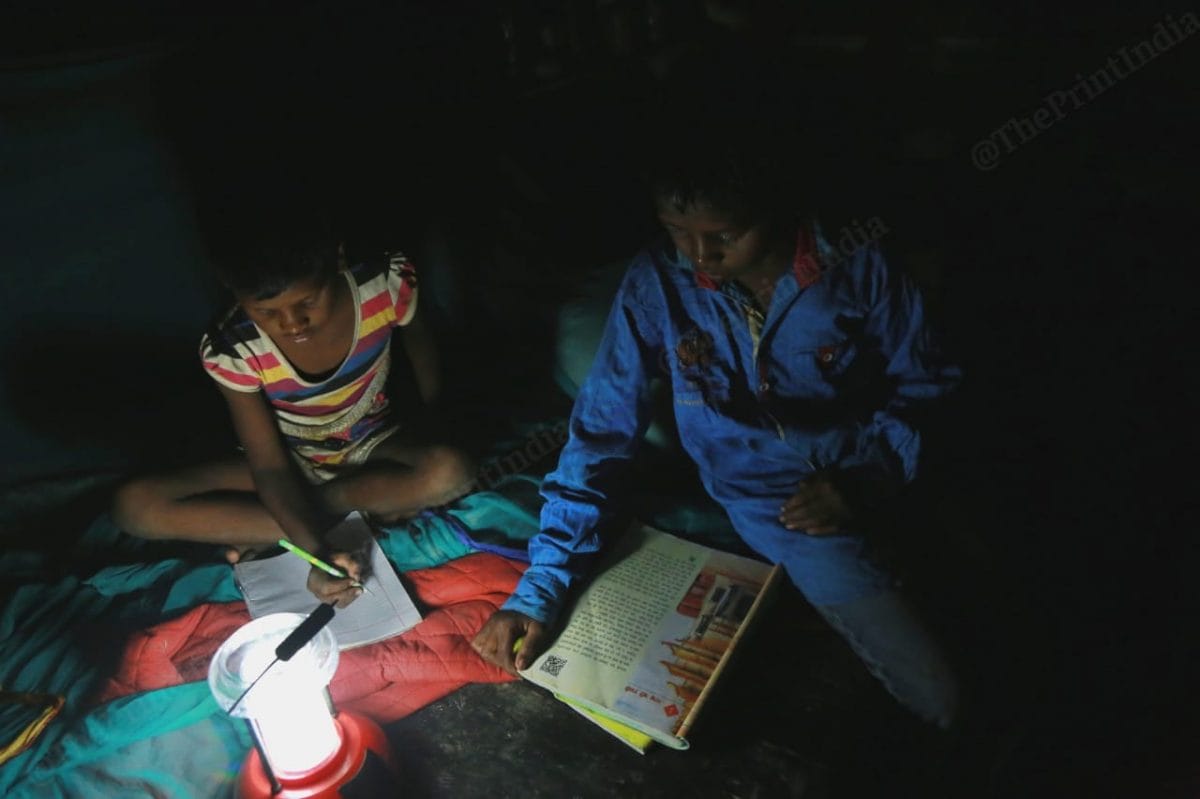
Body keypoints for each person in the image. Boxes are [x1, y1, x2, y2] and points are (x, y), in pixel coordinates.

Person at [472, 57, 963, 729]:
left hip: (856, 467)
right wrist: (541, 586)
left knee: (945, 686)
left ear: (779, 207)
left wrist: (870, 471)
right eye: (677, 231)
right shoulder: (656, 282)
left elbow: (927, 384)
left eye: (723, 236)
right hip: (768, 502)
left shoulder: (857, 261)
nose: (697, 256)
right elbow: (600, 431)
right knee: (933, 688)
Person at [111, 205, 473, 607]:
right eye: (266, 312)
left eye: (308, 301)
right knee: (134, 508)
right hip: (292, 461)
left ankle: (295, 523)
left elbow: (424, 351)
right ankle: (338, 516)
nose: (293, 323)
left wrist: (433, 422)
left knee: (449, 472)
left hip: (373, 443)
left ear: (336, 259)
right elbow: (268, 466)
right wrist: (316, 552)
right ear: (231, 289)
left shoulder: (384, 285)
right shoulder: (234, 347)